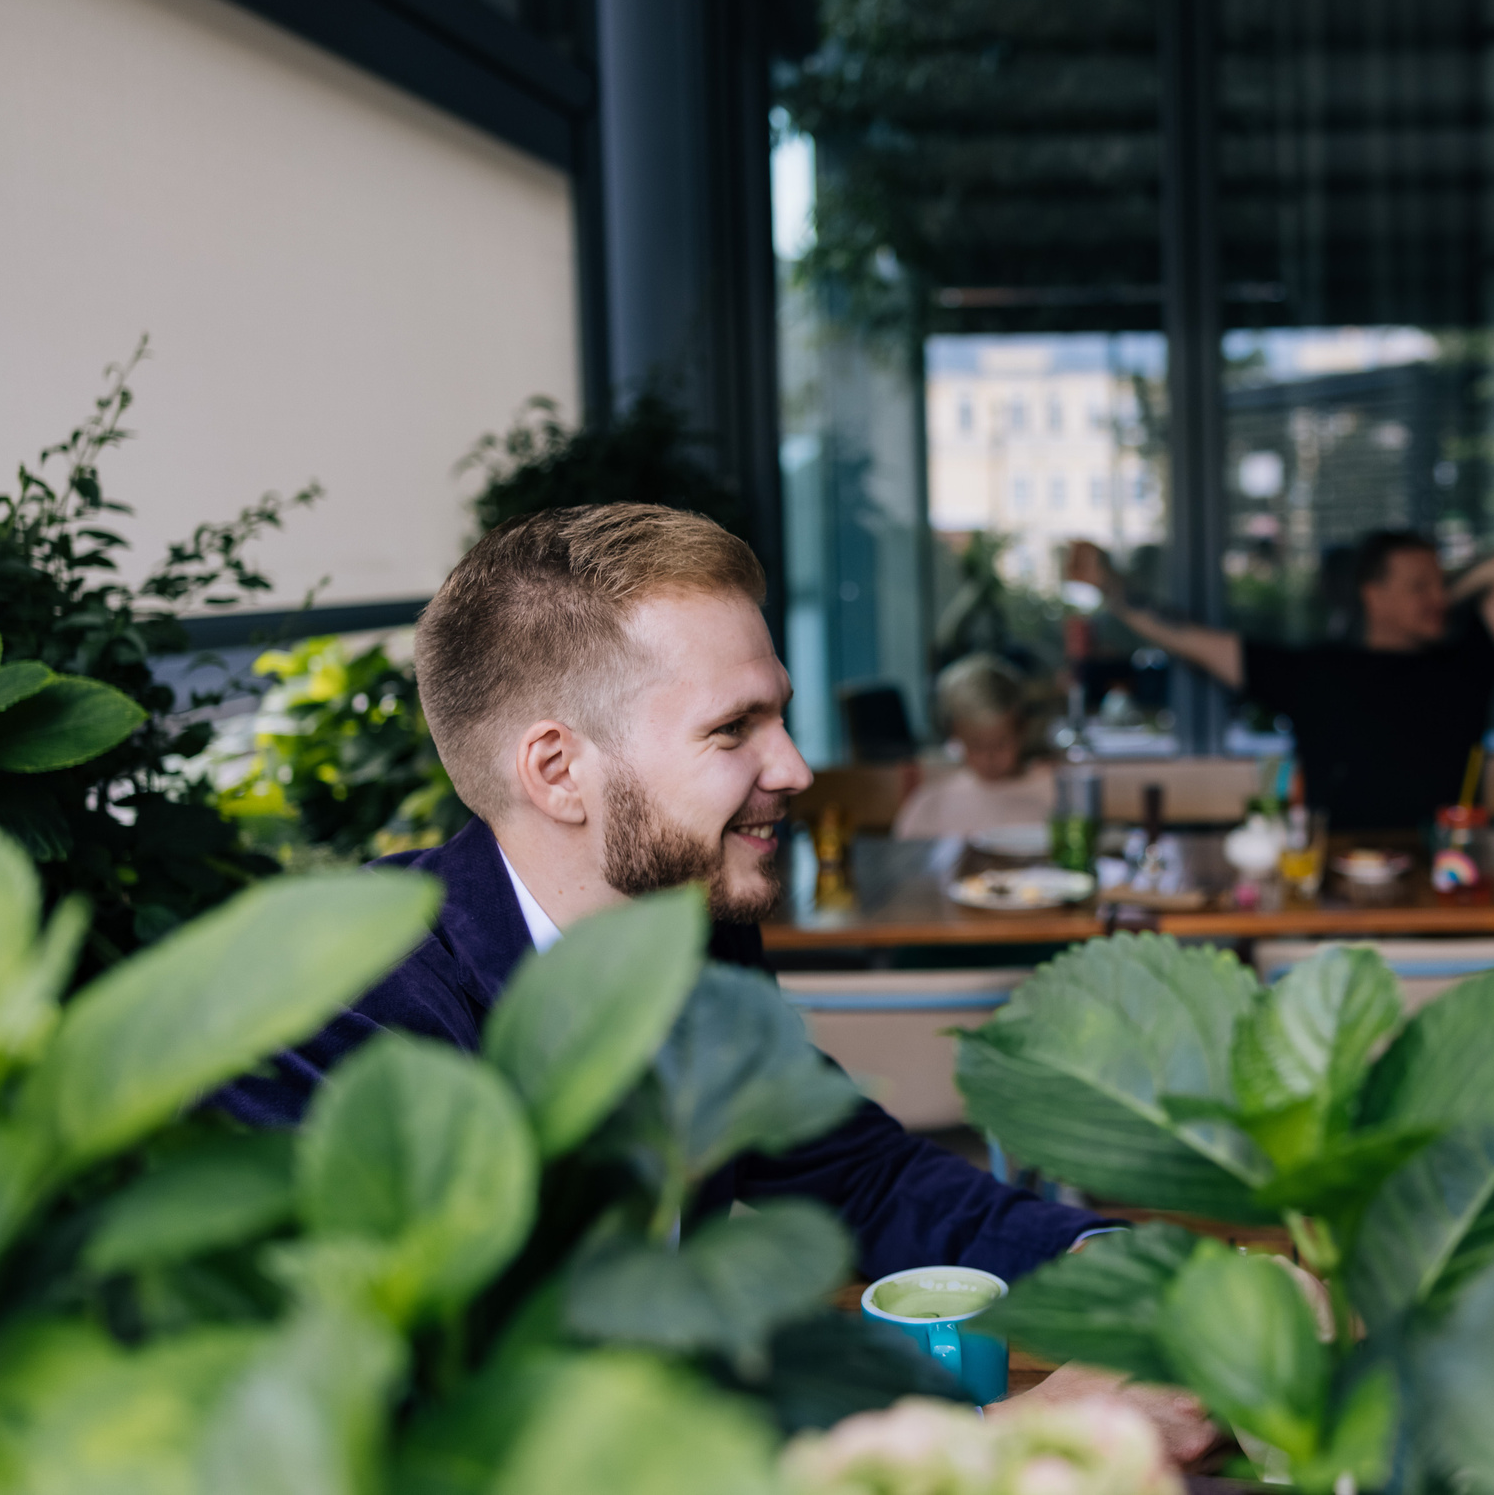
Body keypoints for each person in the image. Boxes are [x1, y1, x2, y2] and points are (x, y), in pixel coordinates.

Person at [221, 505, 1211, 1453]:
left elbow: (860, 1175)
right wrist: (992, 1443)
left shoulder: (694, 926)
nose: (795, 768)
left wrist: (1115, 1268)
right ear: (559, 772)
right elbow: (444, 1428)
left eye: (779, 716)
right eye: (734, 728)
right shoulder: (337, 1020)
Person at [1063, 530, 1494, 830]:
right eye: (1419, 586)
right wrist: (1112, 589)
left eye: (1440, 583)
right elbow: (1189, 639)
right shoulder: (1316, 673)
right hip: (1339, 890)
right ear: (1373, 596)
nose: (1437, 597)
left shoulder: (1466, 664)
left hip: (1452, 878)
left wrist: (1441, 596)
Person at [892, 653, 1055, 839]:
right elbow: (907, 853)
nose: (990, 756)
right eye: (976, 745)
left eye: (1001, 743)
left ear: (1022, 729)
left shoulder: (1053, 792)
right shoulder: (932, 803)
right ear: (955, 734)